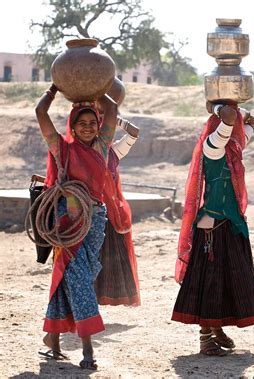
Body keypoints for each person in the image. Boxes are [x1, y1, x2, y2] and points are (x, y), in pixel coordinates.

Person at [35, 83, 117, 369]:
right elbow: (40, 112)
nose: (87, 127)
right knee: (80, 279)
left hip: (95, 220)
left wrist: (98, 90)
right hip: (68, 222)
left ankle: (53, 338)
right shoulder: (62, 149)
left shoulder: (103, 147)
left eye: (92, 122)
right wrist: (54, 89)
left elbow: (113, 110)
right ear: (72, 125)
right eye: (81, 123)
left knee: (74, 275)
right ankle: (87, 350)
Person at [172, 101, 254, 355]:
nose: (239, 130)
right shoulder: (213, 146)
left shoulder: (234, 145)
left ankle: (217, 327)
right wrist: (216, 107)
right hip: (212, 227)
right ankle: (205, 338)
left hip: (231, 224)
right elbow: (231, 117)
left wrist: (233, 107)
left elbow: (251, 121)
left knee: (230, 281)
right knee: (210, 284)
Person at [94, 117, 140, 306]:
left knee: (109, 262)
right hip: (88, 215)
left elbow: (134, 132)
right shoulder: (82, 153)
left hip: (111, 217)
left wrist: (113, 117)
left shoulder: (113, 152)